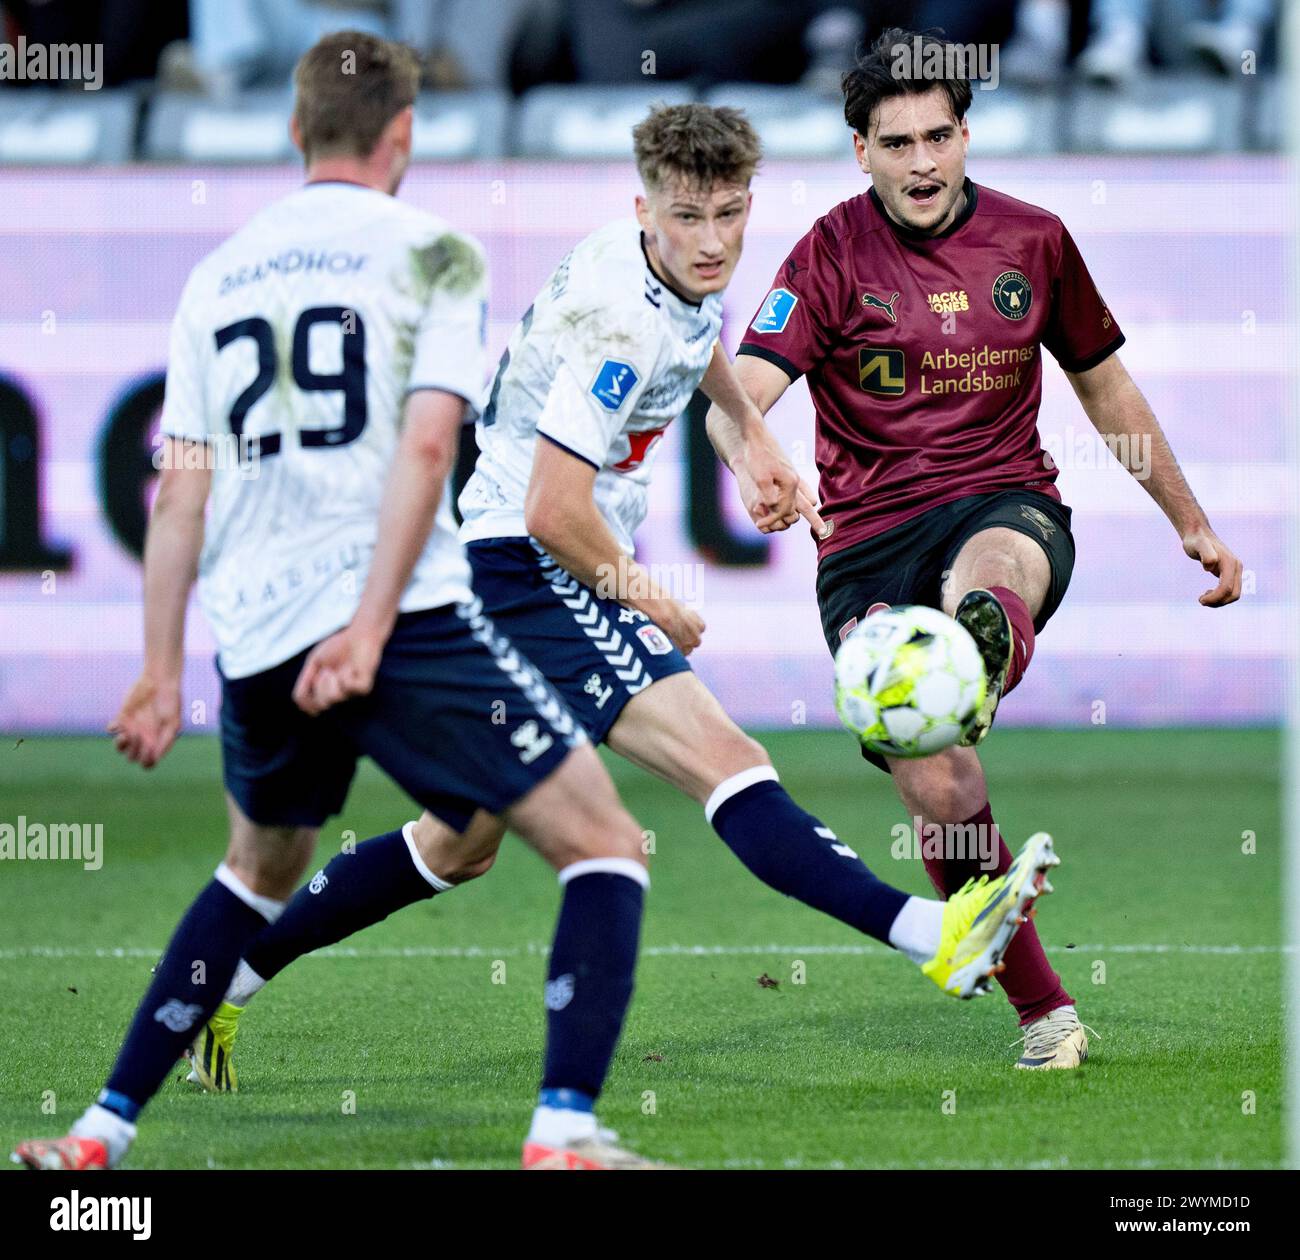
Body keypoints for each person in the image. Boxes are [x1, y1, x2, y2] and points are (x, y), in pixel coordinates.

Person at [174, 103, 1062, 1100]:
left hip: (502, 566)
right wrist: (654, 601)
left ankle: (227, 978)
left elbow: (698, 339)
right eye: (690, 216)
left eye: (730, 213)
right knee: (728, 762)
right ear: (645, 207)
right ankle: (930, 937)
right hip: (532, 566)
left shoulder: (650, 266)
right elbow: (558, 508)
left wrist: (750, 433)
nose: (714, 239)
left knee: (458, 842)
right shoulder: (622, 320)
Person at [13, 30, 665, 1172]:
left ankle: (98, 1131)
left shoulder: (217, 277)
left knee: (255, 872)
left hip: (257, 634)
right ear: (404, 135)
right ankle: (563, 1127)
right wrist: (370, 626)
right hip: (397, 622)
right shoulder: (433, 254)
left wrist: (161, 671)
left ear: (292, 129)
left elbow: (180, 491)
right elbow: (426, 449)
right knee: (604, 844)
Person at [717, 28, 1243, 1067]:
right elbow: (742, 394)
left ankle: (978, 650)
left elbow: (1103, 385)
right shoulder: (826, 253)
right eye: (895, 141)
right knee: (942, 795)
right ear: (858, 150)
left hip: (1004, 504)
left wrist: (1189, 519)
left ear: (966, 135)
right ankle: (1044, 1011)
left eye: (938, 136)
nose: (920, 162)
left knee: (989, 575)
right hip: (865, 550)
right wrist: (753, 461)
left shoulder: (1034, 241)